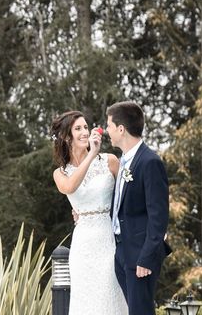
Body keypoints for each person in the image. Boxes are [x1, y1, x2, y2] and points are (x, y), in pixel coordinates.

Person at [51, 110, 128, 315]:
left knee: (111, 298)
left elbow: (128, 195)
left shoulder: (110, 161)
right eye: (78, 128)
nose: (84, 132)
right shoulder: (60, 173)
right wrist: (91, 154)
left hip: (108, 240)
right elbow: (70, 187)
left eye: (85, 127)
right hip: (83, 246)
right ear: (67, 137)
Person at [107, 101, 171, 315]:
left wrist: (147, 257)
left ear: (121, 129)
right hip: (122, 252)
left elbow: (158, 217)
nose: (107, 130)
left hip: (140, 255)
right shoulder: (124, 161)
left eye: (109, 125)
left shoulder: (149, 162)